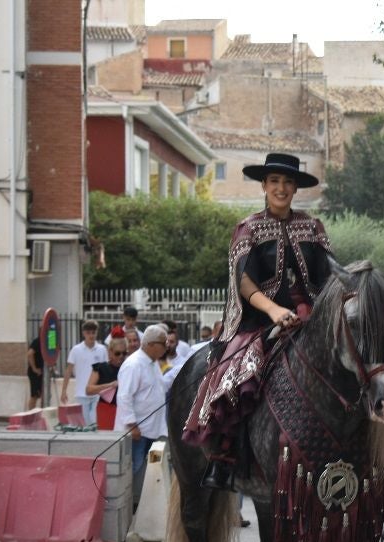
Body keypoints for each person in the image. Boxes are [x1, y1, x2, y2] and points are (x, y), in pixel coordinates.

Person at [183, 153, 333, 490]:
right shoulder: (248, 227)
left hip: (312, 319)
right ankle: (223, 457)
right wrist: (274, 311)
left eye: (288, 182)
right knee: (232, 374)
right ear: (264, 186)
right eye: (275, 182)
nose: (281, 188)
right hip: (258, 321)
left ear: (296, 188)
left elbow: (329, 275)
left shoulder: (313, 227)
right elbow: (244, 282)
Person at [116, 325, 169, 511]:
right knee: (134, 468)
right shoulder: (134, 364)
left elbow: (158, 389)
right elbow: (124, 396)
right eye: (163, 344)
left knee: (148, 469)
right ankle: (124, 506)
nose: (166, 347)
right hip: (138, 431)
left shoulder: (153, 363)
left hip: (153, 431)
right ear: (151, 344)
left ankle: (140, 506)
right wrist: (132, 425)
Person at [60, 320, 108, 426]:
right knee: (85, 424)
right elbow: (68, 371)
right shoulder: (76, 350)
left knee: (95, 422)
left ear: (96, 333)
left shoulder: (102, 349)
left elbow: (106, 371)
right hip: (81, 394)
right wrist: (64, 391)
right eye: (88, 333)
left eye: (93, 333)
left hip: (97, 394)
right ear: (84, 333)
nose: (91, 335)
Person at [87, 332, 128, 431]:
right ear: (110, 352)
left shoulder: (129, 367)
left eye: (124, 353)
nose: (121, 356)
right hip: (106, 409)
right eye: (117, 353)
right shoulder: (101, 367)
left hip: (124, 409)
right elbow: (89, 389)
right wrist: (109, 385)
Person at [26, 335, 44, 410]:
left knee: (43, 394)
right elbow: (29, 354)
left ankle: (41, 414)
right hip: (36, 372)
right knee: (34, 395)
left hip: (43, 372)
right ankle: (30, 415)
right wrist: (34, 368)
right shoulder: (38, 341)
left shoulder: (50, 340)